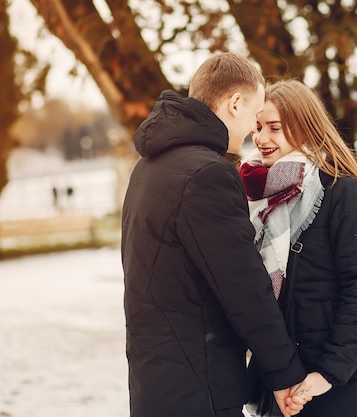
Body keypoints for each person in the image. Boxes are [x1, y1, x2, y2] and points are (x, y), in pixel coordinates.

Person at [121, 53, 309, 417]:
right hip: (198, 383)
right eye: (255, 118)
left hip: (156, 380)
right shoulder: (207, 174)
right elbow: (243, 286)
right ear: (234, 103)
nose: (254, 133)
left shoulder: (148, 168)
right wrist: (285, 373)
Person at [239, 79, 357, 417]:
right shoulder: (253, 197)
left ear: (305, 126)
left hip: (344, 382)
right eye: (258, 127)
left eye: (274, 127)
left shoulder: (338, 190)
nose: (261, 138)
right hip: (283, 378)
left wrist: (327, 373)